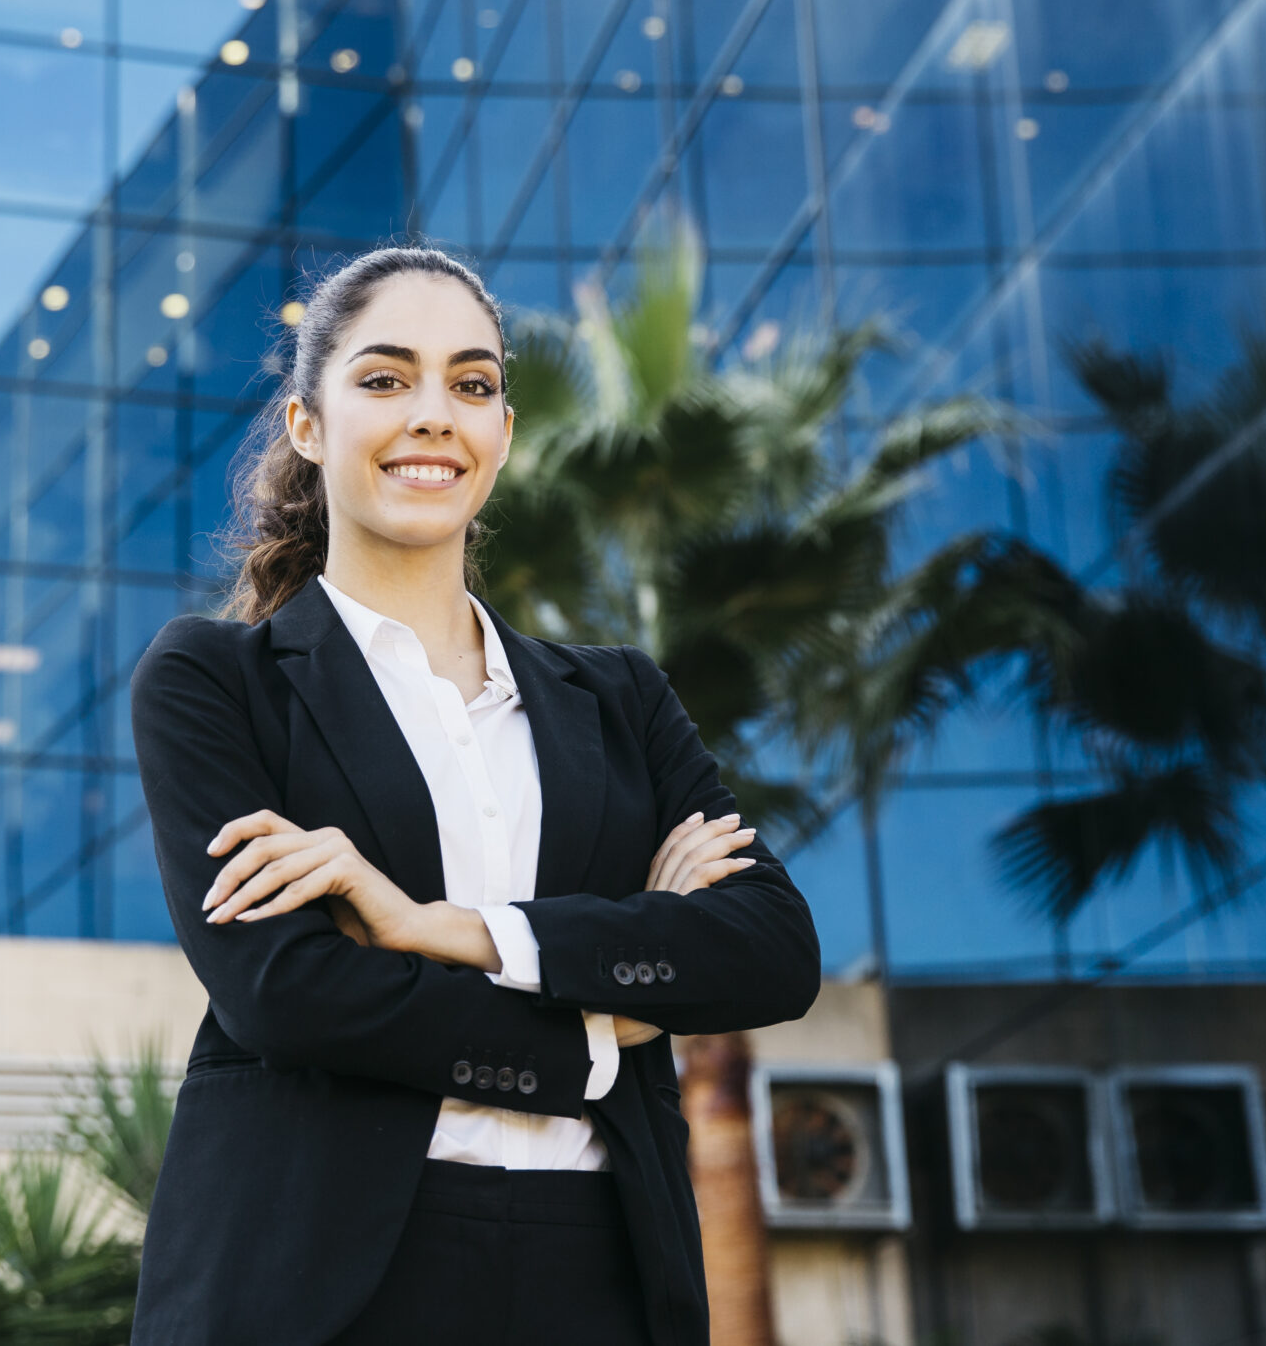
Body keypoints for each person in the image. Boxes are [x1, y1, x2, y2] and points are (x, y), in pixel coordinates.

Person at [128, 245, 822, 1346]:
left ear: (501, 430)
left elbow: (770, 949)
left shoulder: (619, 699)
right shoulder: (216, 680)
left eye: (472, 383)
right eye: (384, 378)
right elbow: (290, 990)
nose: (433, 415)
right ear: (308, 425)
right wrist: (609, 1032)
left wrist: (436, 929)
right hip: (321, 1279)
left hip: (601, 1266)